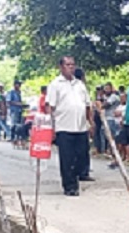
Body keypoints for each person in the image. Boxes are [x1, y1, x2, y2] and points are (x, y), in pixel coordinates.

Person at [46, 55, 92, 197]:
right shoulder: (55, 84)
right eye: (67, 64)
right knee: (67, 158)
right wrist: (51, 126)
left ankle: (76, 177)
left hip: (80, 127)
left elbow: (87, 105)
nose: (71, 67)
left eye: (72, 64)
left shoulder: (80, 85)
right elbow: (50, 106)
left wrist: (91, 122)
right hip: (63, 127)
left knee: (81, 155)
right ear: (61, 67)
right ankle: (70, 186)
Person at [73, 67, 94, 181]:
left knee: (76, 149)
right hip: (81, 123)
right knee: (83, 149)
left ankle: (76, 170)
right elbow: (87, 107)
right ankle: (83, 172)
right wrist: (90, 122)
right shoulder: (81, 87)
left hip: (73, 123)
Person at [7, 80, 26, 147]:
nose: (19, 86)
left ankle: (17, 138)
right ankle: (12, 137)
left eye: (20, 85)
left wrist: (22, 105)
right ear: (14, 85)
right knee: (13, 125)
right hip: (14, 110)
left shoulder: (19, 93)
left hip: (19, 110)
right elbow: (9, 101)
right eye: (18, 84)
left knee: (19, 125)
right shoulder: (11, 92)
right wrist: (18, 104)